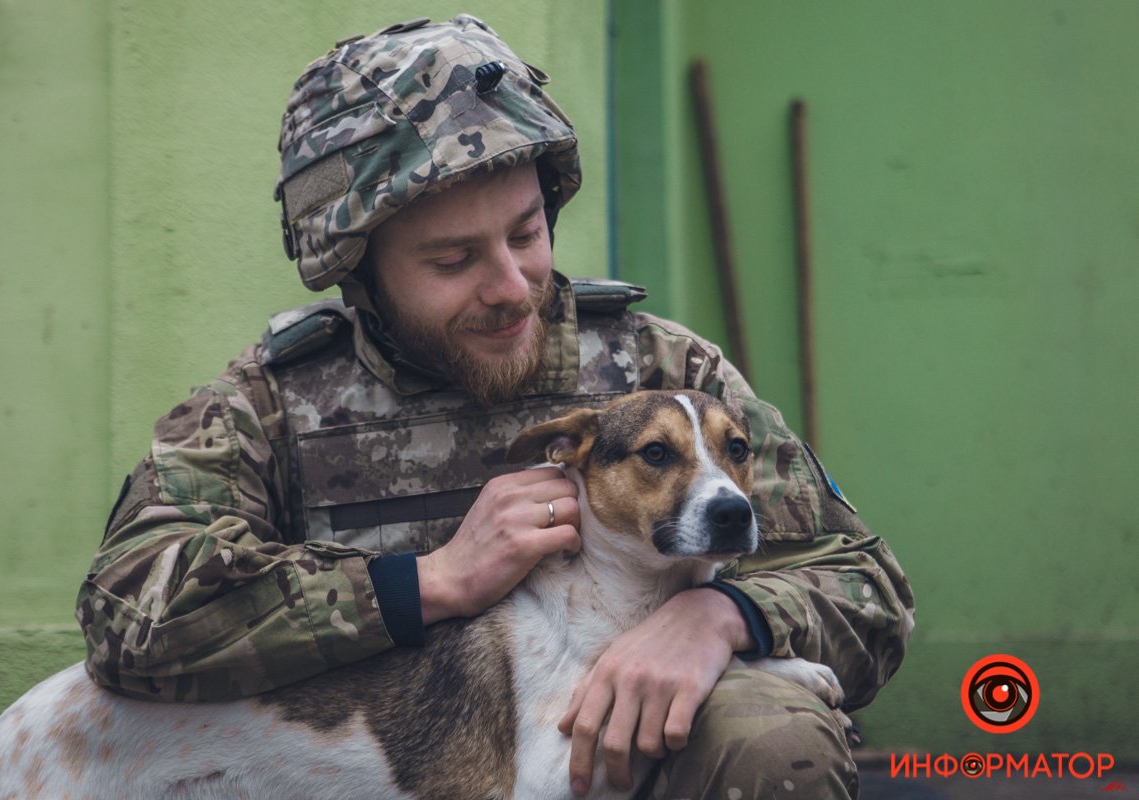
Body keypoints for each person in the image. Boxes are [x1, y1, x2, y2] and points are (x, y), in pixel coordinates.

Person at [77, 15, 913, 798]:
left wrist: (722, 615)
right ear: (359, 269)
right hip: (380, 768)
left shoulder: (658, 367)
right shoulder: (270, 406)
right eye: (452, 260)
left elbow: (866, 587)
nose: (512, 289)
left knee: (770, 737)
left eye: (525, 233)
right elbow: (128, 616)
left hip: (638, 748)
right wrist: (420, 584)